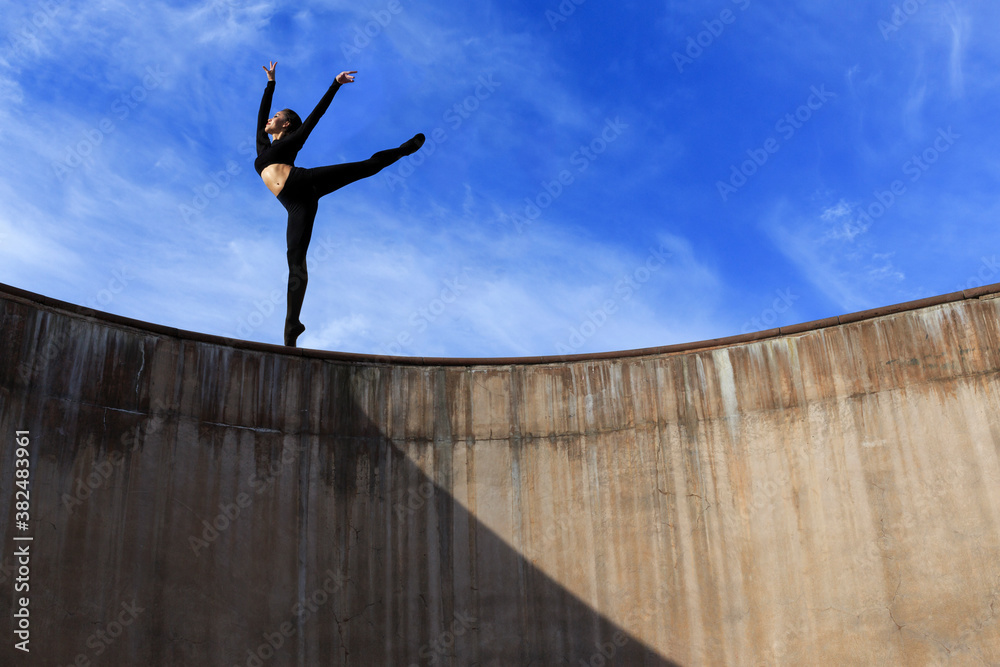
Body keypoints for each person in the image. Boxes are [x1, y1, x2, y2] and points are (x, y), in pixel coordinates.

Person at [255, 61, 424, 347]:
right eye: (272, 116)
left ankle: (403, 150)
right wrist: (270, 84)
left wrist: (335, 84)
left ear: (287, 124)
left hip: (304, 182)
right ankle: (292, 325)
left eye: (276, 116)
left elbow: (315, 116)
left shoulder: (292, 141)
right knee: (295, 260)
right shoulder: (263, 147)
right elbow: (260, 117)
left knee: (365, 167)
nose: (270, 119)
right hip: (295, 205)